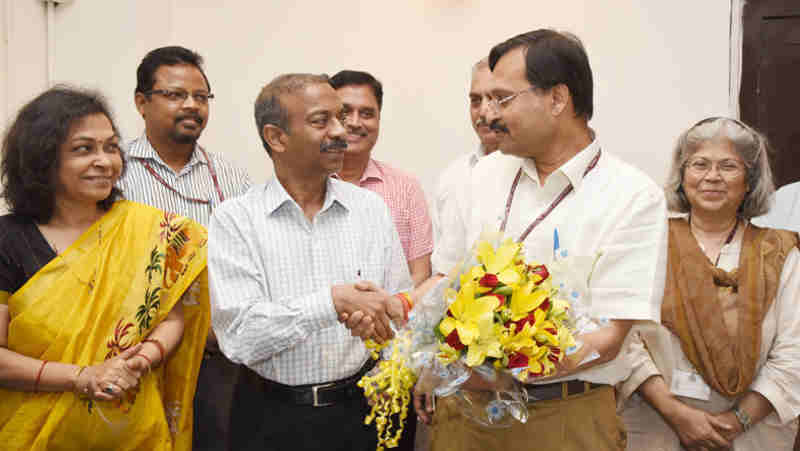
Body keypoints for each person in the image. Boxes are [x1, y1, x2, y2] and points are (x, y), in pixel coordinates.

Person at [416, 29, 668, 451]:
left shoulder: (632, 196)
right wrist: (407, 322)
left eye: (503, 98)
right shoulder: (481, 176)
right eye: (484, 99)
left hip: (565, 419)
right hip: (463, 413)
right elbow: (445, 278)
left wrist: (503, 368)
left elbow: (608, 340)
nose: (489, 114)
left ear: (557, 99)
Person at [208, 73, 412, 451]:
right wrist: (332, 303)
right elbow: (240, 337)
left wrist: (388, 354)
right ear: (276, 137)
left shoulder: (369, 209)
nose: (341, 130)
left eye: (340, 117)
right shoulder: (235, 219)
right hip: (271, 419)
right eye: (322, 121)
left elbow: (399, 306)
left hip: (361, 414)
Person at [0, 87, 209, 450]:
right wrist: (82, 376)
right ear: (42, 159)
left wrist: (140, 361)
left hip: (134, 432)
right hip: (35, 434)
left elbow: (171, 318)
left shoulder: (147, 231)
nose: (105, 161)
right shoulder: (7, 240)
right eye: (84, 149)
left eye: (111, 147)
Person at [618, 117, 800, 451]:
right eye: (700, 164)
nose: (712, 177)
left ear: (750, 180)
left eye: (728, 166)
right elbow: (624, 337)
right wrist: (676, 414)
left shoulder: (780, 252)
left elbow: (794, 352)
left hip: (751, 434)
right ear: (683, 176)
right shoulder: (648, 242)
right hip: (659, 424)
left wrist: (735, 423)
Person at [116, 46, 251, 451]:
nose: (192, 106)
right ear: (142, 102)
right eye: (175, 95)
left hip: (215, 358)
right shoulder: (113, 168)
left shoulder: (229, 175)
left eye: (201, 97)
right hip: (135, 353)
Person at [329, 70, 433, 287]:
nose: (355, 122)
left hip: (392, 317)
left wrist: (385, 312)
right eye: (345, 113)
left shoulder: (406, 187)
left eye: (367, 114)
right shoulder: (308, 187)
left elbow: (421, 275)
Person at [432, 57, 501, 244]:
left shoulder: (536, 171)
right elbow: (443, 265)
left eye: (495, 99)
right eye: (476, 101)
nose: (483, 111)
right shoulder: (452, 178)